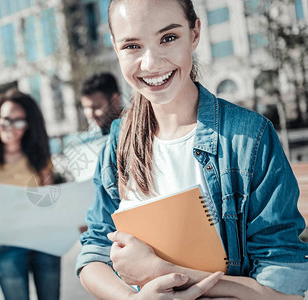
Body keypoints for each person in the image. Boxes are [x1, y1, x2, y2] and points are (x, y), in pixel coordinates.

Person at [76, 0, 308, 299]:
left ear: (194, 33)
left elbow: (282, 288)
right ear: (115, 47)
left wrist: (160, 271)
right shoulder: (119, 142)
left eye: (168, 38)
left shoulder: (248, 139)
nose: (150, 64)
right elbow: (93, 254)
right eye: (132, 46)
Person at [0, 89, 60, 300]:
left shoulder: (40, 158)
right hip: (7, 243)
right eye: (6, 119)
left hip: (44, 240)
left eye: (19, 121)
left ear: (28, 125)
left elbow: (50, 201)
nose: (11, 127)